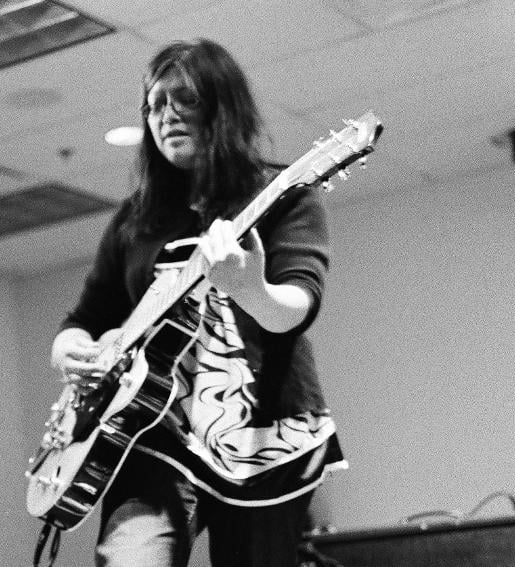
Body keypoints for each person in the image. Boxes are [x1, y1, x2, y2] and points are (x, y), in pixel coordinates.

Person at [50, 38, 346, 567]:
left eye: (184, 99)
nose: (166, 116)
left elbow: (297, 305)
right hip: (152, 432)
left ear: (223, 105)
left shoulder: (285, 194)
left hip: (262, 437)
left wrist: (250, 289)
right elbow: (85, 319)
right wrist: (69, 351)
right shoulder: (134, 219)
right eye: (154, 105)